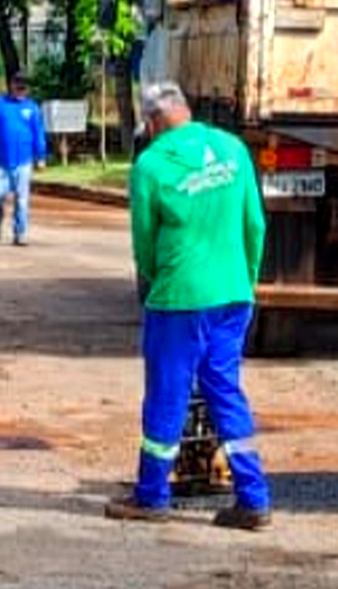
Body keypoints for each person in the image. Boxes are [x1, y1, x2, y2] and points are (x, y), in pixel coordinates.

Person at [107, 80, 273, 531]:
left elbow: (144, 245)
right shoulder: (234, 149)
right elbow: (254, 225)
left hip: (179, 298)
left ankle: (152, 495)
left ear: (154, 121)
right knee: (225, 390)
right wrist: (246, 280)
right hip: (233, 293)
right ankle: (254, 498)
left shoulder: (152, 165)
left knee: (167, 394)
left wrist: (159, 284)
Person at [0, 73, 49, 245]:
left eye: (24, 86)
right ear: (11, 85)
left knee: (21, 199)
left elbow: (38, 133)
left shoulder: (32, 108)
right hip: (1, 163)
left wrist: (40, 156)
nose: (21, 89)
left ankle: (20, 234)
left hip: (24, 161)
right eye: (18, 85)